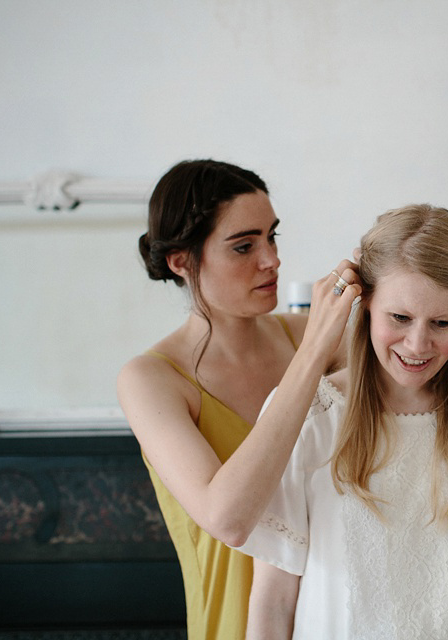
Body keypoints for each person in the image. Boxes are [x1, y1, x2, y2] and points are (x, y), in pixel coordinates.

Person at [238, 203, 448, 639]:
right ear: (365, 304)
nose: (418, 344)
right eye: (400, 318)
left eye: (442, 322)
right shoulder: (306, 416)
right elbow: (274, 599)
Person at [116, 159, 361, 640]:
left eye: (272, 237)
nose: (271, 259)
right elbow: (227, 520)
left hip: (335, 614)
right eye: (244, 246)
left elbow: (422, 372)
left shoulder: (307, 337)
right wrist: (312, 355)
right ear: (181, 261)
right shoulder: (151, 379)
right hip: (231, 623)